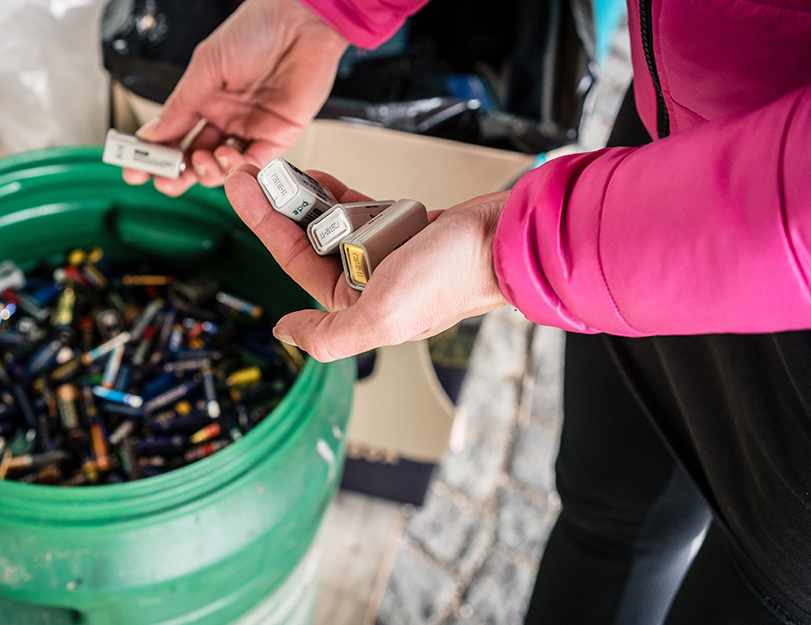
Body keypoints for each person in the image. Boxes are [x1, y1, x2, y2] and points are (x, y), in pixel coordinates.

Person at [121, 0, 811, 622]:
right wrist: (327, 11)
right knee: (604, 518)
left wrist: (506, 247)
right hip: (658, 168)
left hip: (766, 334)